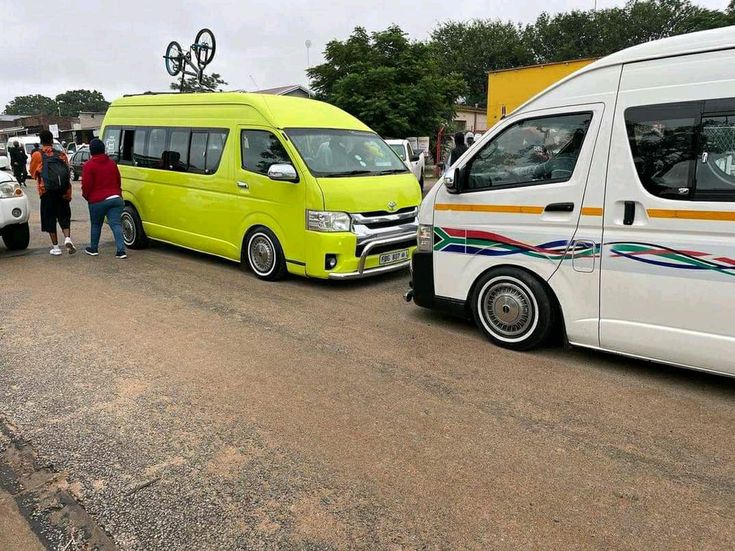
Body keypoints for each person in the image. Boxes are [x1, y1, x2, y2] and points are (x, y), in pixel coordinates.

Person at [29, 130, 76, 256]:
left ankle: (56, 247)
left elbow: (33, 172)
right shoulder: (61, 154)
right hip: (62, 190)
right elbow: (66, 172)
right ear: (52, 140)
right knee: (64, 215)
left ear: (41, 141)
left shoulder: (37, 155)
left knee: (50, 218)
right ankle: (67, 238)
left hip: (46, 191)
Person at [81, 138, 127, 259]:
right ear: (103, 149)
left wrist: (87, 197)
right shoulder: (112, 163)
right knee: (116, 224)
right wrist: (118, 193)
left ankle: (94, 248)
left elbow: (86, 185)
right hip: (116, 198)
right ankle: (121, 251)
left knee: (96, 224)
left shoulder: (89, 165)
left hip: (97, 200)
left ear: (91, 151)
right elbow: (118, 180)